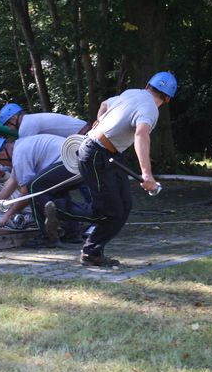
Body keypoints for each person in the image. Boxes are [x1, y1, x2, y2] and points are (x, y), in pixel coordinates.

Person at [74, 71, 177, 267]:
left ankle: (92, 252)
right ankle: (58, 210)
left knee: (123, 206)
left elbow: (104, 103)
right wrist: (146, 174)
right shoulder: (151, 110)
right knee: (110, 209)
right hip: (96, 153)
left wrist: (101, 122)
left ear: (148, 85)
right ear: (168, 98)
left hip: (108, 154)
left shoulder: (131, 93)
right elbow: (141, 134)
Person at [0, 134, 84, 247]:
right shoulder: (20, 148)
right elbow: (12, 182)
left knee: (34, 188)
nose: (2, 166)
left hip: (70, 161)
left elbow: (26, 192)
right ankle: (72, 234)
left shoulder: (19, 155)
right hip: (78, 160)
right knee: (55, 191)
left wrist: (8, 214)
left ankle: (47, 237)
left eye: (0, 162)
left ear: (2, 154)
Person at [0, 103, 91, 137]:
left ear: (13, 118)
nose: (9, 129)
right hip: (85, 131)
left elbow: (26, 154)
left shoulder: (26, 126)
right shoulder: (31, 119)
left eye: (8, 124)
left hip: (84, 137)